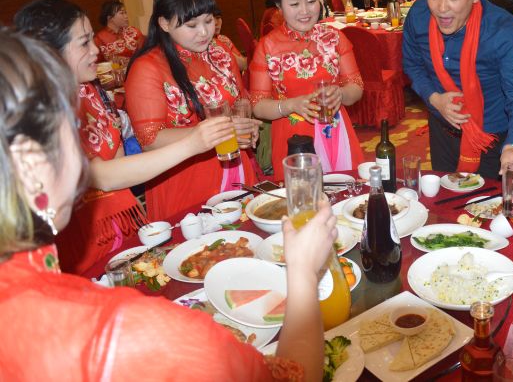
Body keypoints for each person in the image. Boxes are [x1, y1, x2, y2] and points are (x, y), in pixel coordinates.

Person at [0, 28, 336, 380]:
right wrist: (302, 273)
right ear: (32, 164)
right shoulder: (130, 333)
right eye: (74, 131)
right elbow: (294, 375)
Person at [13, 0, 238, 274]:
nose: (96, 50)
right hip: (78, 234)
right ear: (49, 52)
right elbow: (99, 175)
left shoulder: (89, 90)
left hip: (119, 220)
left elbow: (118, 158)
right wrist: (191, 143)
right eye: (84, 43)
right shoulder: (37, 113)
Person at [124, 0, 261, 221]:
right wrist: (217, 131)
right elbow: (150, 140)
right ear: (164, 24)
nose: (204, 32)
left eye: (208, 21)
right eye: (191, 25)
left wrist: (245, 122)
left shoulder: (220, 52)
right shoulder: (148, 67)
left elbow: (242, 99)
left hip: (234, 161)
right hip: (185, 177)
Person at [402, 0, 513, 182]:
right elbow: (412, 64)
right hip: (442, 130)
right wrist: (434, 98)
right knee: (444, 198)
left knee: (487, 204)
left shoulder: (501, 30)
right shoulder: (419, 15)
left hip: (492, 140)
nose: (441, 8)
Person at [249, 0, 364, 177]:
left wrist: (341, 94)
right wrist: (291, 105)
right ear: (279, 5)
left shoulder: (334, 38)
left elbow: (356, 86)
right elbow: (258, 105)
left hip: (336, 130)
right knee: (302, 195)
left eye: (311, 1)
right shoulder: (268, 46)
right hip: (294, 139)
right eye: (294, 4)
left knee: (344, 190)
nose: (305, 11)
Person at [213, 7, 248, 71]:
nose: (216, 23)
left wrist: (228, 51)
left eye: (218, 18)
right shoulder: (200, 46)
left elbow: (244, 65)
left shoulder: (223, 39)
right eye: (210, 20)